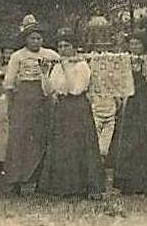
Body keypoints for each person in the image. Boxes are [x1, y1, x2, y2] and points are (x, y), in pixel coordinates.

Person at [38, 28, 105, 197]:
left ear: (74, 47)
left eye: (66, 45)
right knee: (61, 146)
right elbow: (48, 91)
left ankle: (83, 186)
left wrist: (67, 67)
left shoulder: (82, 65)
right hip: (61, 108)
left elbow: (75, 89)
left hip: (77, 108)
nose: (62, 49)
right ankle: (63, 186)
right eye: (60, 46)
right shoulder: (57, 67)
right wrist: (44, 74)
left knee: (78, 145)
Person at [2, 15, 60, 193]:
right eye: (32, 38)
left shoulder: (50, 54)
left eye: (38, 38)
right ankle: (17, 180)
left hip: (44, 99)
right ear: (25, 39)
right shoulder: (17, 57)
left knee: (43, 136)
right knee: (20, 138)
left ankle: (40, 180)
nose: (36, 41)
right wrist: (11, 105)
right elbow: (10, 83)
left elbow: (60, 73)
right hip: (23, 100)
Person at [108, 35, 147, 194]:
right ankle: (129, 183)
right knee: (130, 142)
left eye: (137, 44)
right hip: (131, 106)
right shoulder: (125, 62)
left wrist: (145, 71)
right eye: (132, 44)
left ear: (144, 46)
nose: (134, 47)